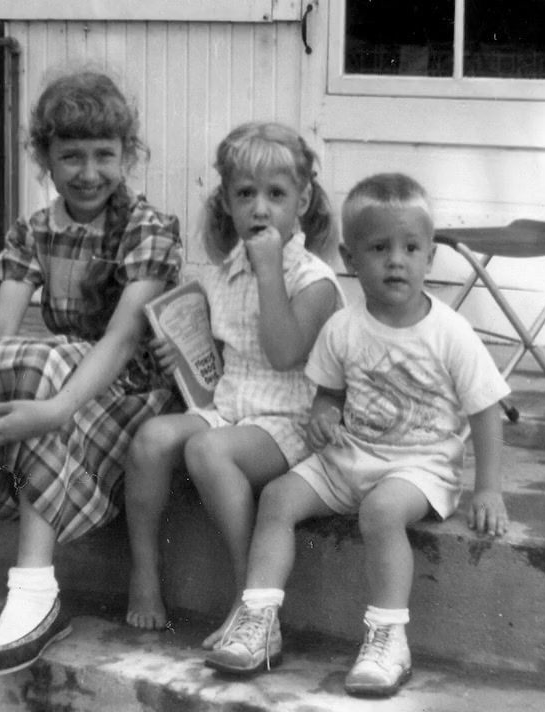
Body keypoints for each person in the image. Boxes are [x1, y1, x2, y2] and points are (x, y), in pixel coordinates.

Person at [0, 71, 181, 679]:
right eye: (71, 156)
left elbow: (123, 337)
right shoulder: (35, 231)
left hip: (133, 390)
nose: (89, 172)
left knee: (42, 362)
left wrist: (55, 408)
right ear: (44, 157)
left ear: (127, 155)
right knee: (5, 364)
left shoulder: (146, 229)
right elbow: (0, 322)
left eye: (104, 155)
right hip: (62, 388)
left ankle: (35, 588)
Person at [204, 172, 510, 698]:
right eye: (379, 248)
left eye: (410, 248)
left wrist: (489, 488)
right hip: (349, 456)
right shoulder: (343, 327)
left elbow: (486, 411)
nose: (396, 261)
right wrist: (324, 416)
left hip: (419, 465)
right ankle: (259, 619)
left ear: (430, 257)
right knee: (277, 498)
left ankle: (388, 638)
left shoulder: (449, 332)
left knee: (381, 511)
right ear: (349, 258)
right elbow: (329, 394)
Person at [123, 122, 344, 648]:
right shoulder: (223, 274)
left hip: (289, 422)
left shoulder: (313, 280)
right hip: (230, 411)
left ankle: (252, 600)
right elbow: (221, 359)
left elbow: (284, 353)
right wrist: (179, 356)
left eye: (276, 195)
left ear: (302, 200)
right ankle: (145, 572)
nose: (260, 209)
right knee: (151, 439)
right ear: (227, 201)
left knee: (207, 450)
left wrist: (269, 273)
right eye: (245, 194)